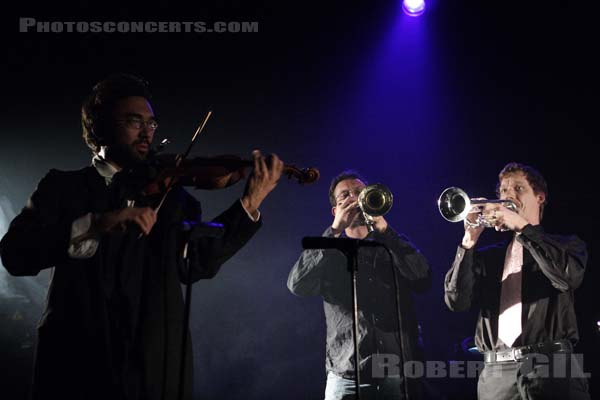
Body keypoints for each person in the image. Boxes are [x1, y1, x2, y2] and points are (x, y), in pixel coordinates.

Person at [0, 73, 284, 400]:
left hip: (152, 366)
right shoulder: (62, 187)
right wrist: (97, 224)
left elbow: (197, 263)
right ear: (98, 126)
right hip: (76, 364)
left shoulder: (172, 195)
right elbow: (15, 254)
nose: (147, 133)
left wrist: (250, 202)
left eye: (151, 124)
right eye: (135, 121)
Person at [444, 162, 590, 399]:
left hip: (552, 369)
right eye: (503, 191)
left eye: (518, 189)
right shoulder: (488, 257)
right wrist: (468, 241)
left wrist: (523, 228)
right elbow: (456, 301)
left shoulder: (566, 245)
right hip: (496, 377)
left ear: (540, 197)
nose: (508, 196)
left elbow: (566, 278)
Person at [287, 170, 431, 400]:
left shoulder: (392, 244)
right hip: (346, 377)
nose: (354, 198)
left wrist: (385, 231)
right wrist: (333, 231)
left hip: (397, 376)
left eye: (359, 193)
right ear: (335, 210)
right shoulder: (328, 252)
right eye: (345, 195)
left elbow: (423, 280)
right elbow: (297, 284)